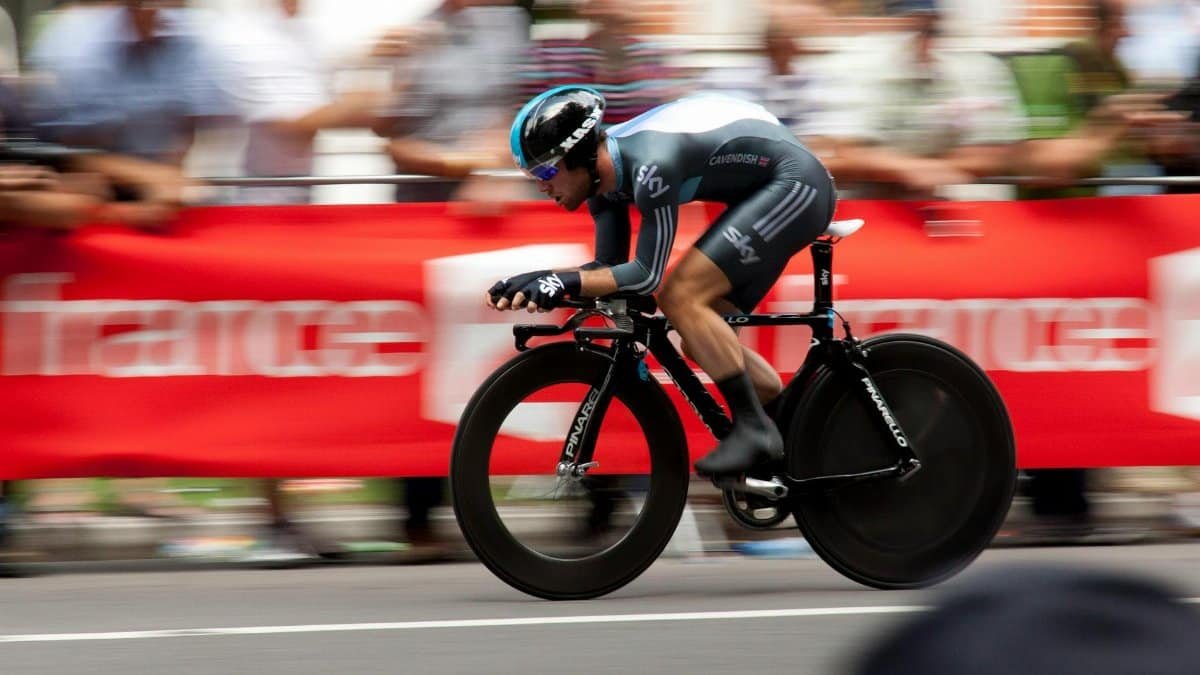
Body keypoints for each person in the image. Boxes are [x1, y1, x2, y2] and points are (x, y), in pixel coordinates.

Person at [489, 86, 836, 475]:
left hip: (796, 184)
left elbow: (645, 276)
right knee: (702, 339)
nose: (541, 185)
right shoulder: (602, 186)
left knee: (680, 297)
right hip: (763, 190)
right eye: (533, 176)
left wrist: (561, 281)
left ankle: (755, 430)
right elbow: (607, 269)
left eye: (547, 171)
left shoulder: (651, 165)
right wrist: (541, 280)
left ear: (579, 156)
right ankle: (794, 437)